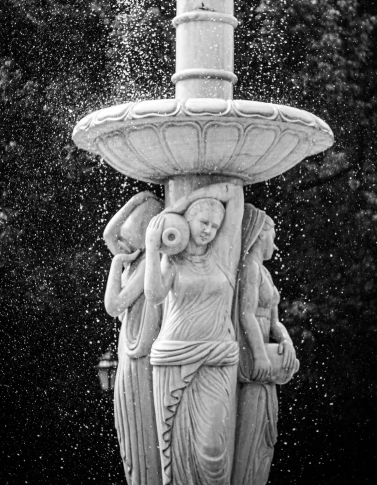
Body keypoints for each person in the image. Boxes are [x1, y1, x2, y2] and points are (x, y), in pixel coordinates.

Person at [144, 182, 244, 485]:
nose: (209, 231)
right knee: (175, 448)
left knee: (212, 448)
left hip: (216, 357)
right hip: (174, 355)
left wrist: (177, 206)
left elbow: (234, 192)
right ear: (188, 222)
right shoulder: (172, 261)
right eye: (203, 222)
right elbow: (154, 295)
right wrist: (151, 245)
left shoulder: (224, 255)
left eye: (215, 226)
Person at [232, 204, 299, 485]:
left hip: (262, 343)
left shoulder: (265, 273)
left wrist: (286, 341)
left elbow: (274, 322)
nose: (275, 241)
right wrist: (260, 356)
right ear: (260, 234)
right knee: (252, 424)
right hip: (251, 351)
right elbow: (246, 313)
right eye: (272, 234)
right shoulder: (249, 266)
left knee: (264, 430)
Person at [103, 191, 163, 485]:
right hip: (131, 350)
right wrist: (136, 200)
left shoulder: (147, 264)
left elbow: (113, 305)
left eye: (130, 234)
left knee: (142, 428)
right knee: (129, 428)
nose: (121, 243)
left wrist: (116, 266)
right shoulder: (135, 259)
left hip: (142, 355)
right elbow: (108, 234)